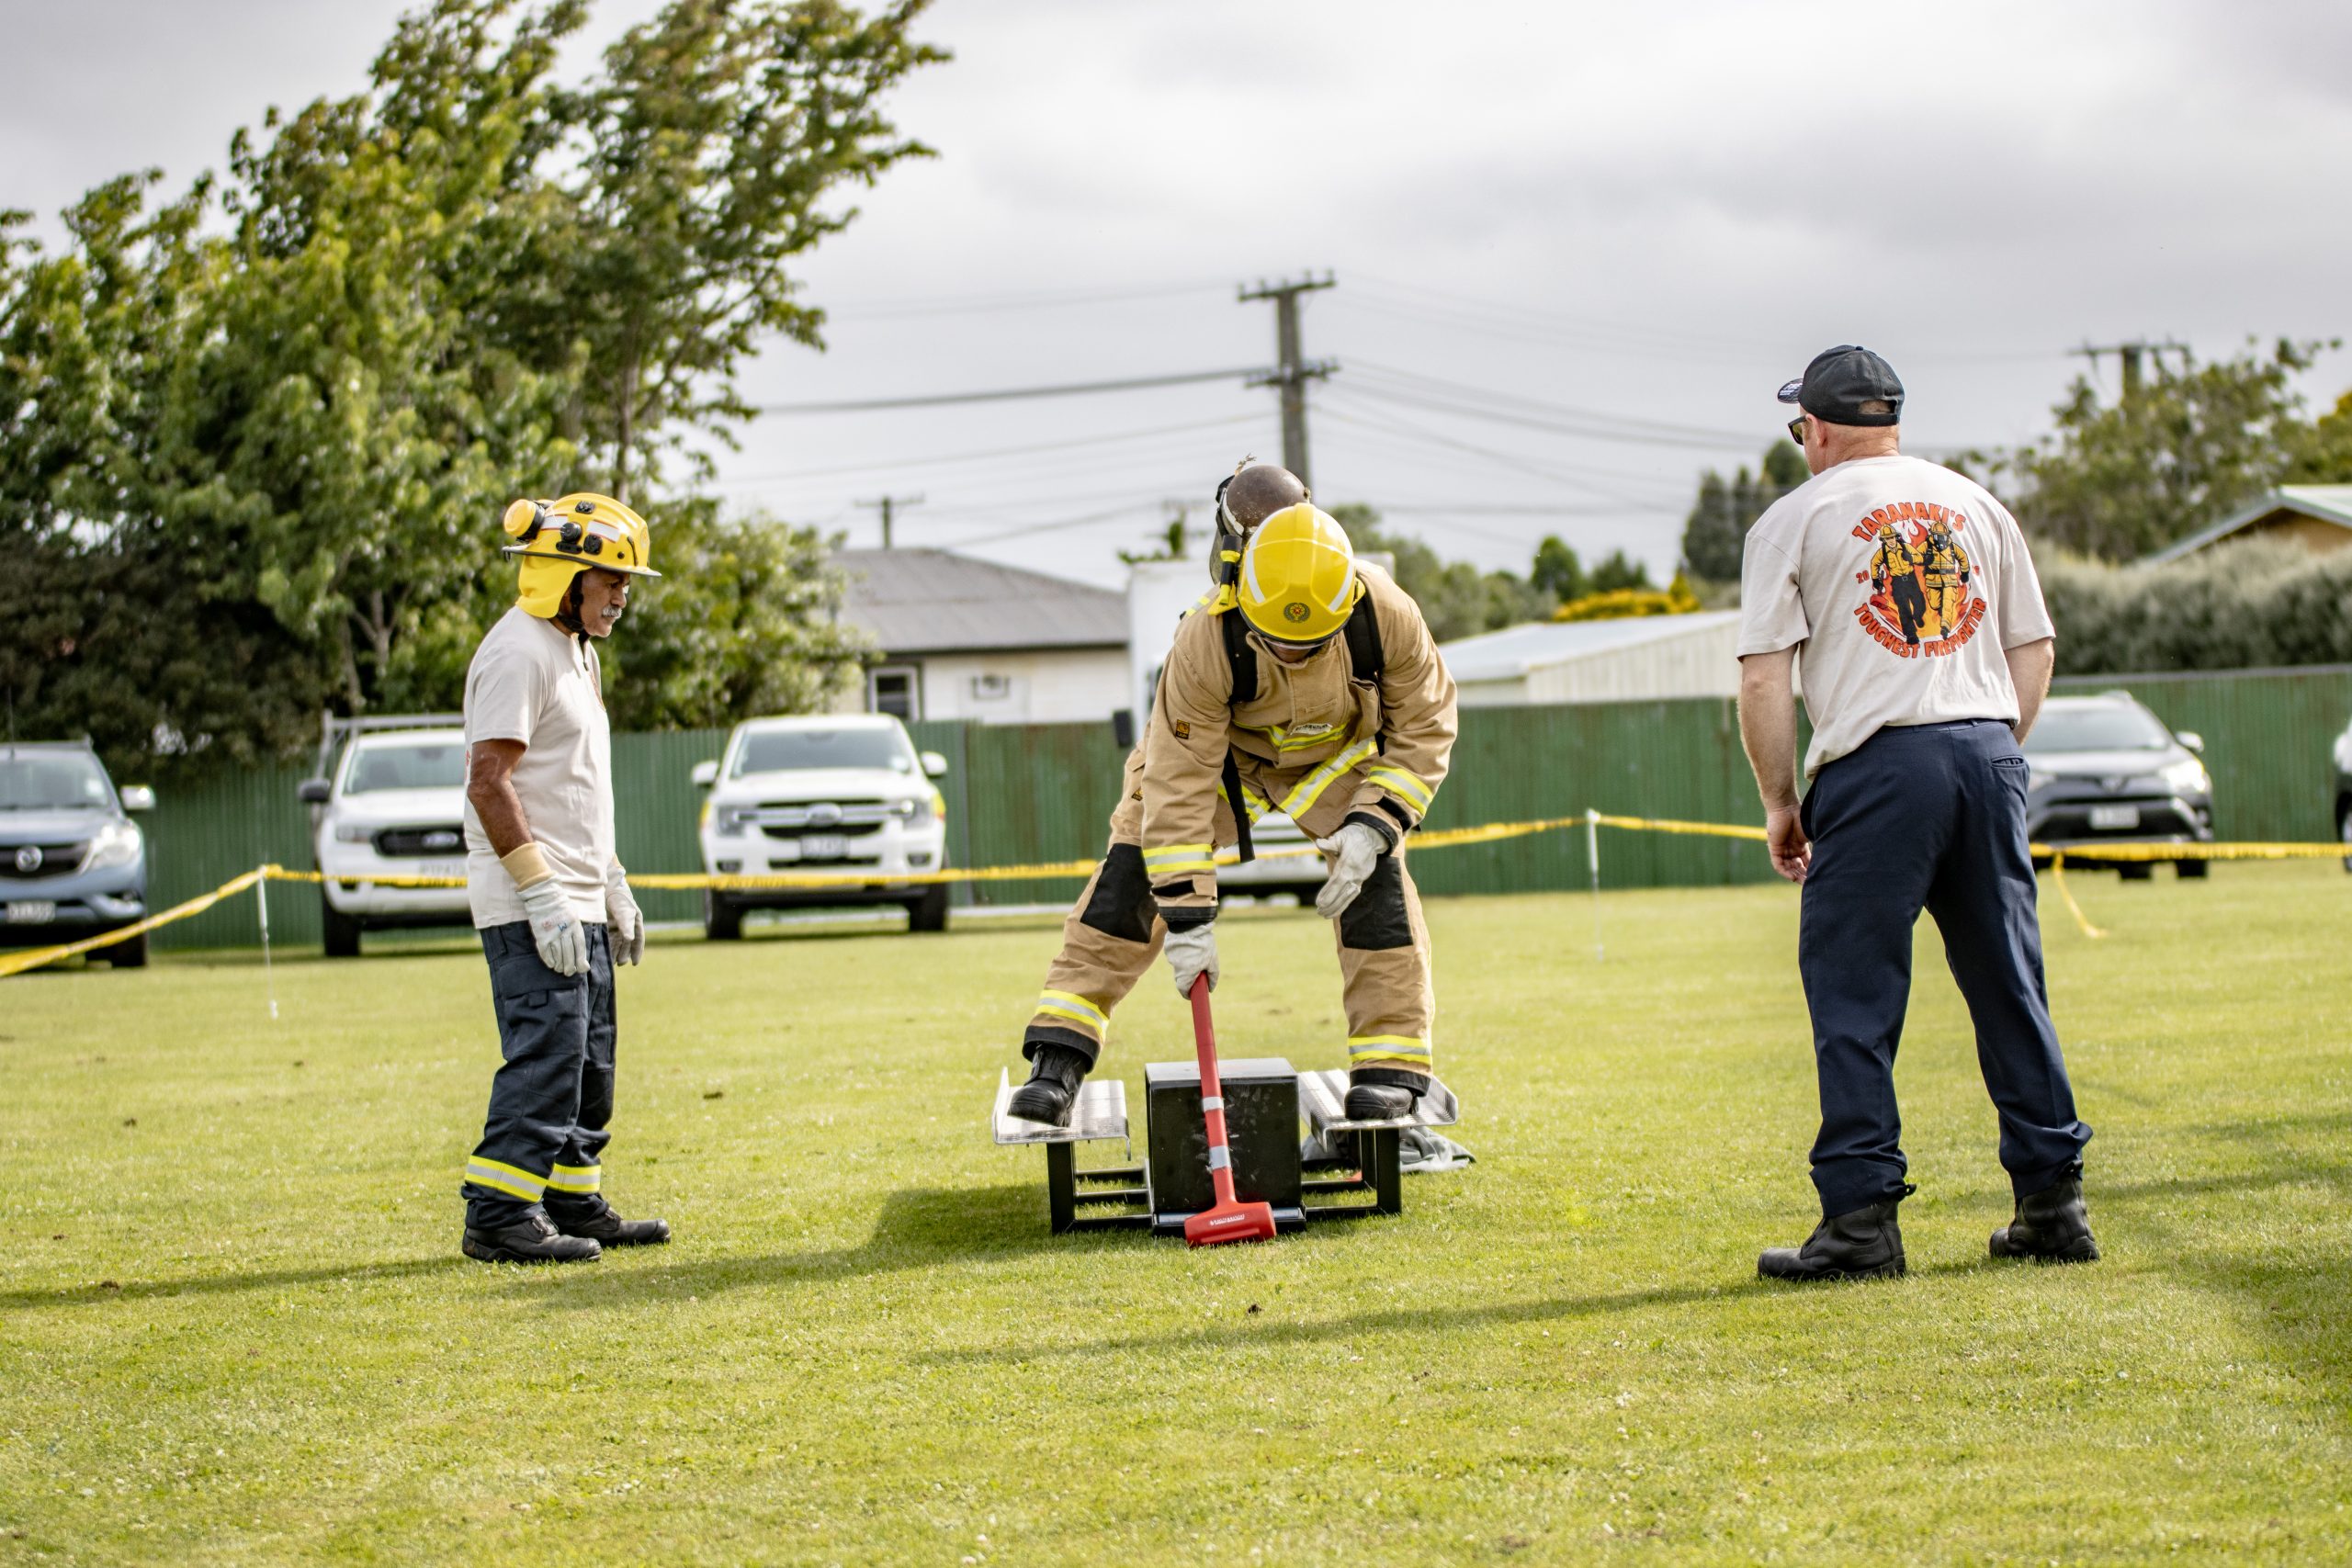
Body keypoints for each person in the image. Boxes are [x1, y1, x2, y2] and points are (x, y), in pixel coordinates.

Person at [1737, 345, 2097, 1281]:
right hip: (1985, 749)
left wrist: (1781, 801)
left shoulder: (1793, 519)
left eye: (1799, 427)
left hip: (1877, 764)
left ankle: (1861, 1222)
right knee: (2009, 982)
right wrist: (1994, 749)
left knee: (1854, 994)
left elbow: (1765, 678)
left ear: (1817, 429)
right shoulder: (1976, 503)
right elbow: (2034, 647)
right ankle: (2053, 1205)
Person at [1004, 461, 1460, 1127]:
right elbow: (1178, 785)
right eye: (1278, 642)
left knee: (1379, 894)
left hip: (1333, 761)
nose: (1293, 655)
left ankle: (1391, 1071)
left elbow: (1426, 725)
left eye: (1311, 645)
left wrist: (1375, 825)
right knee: (1130, 878)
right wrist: (1188, 916)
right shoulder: (1203, 638)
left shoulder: (1386, 611)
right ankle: (1058, 1058)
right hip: (1224, 765)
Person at [458, 493, 673, 1264]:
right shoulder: (519, 652)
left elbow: (574, 785)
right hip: (532, 901)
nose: (621, 597)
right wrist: (541, 892)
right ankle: (498, 1215)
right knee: (547, 1056)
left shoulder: (578, 651)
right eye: (611, 581)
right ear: (565, 578)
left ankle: (572, 1200)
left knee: (590, 1062)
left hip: (580, 895)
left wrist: (611, 881)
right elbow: (489, 782)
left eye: (626, 582)